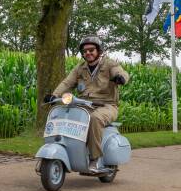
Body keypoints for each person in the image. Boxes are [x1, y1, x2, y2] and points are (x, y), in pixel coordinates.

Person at [48, 35, 129, 172]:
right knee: (64, 115)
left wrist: (120, 78)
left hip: (107, 106)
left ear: (98, 50)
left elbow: (121, 72)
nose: (88, 53)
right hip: (83, 105)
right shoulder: (80, 68)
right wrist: (54, 95)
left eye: (91, 50)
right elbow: (67, 82)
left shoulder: (109, 64)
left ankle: (95, 159)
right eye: (85, 51)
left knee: (95, 119)